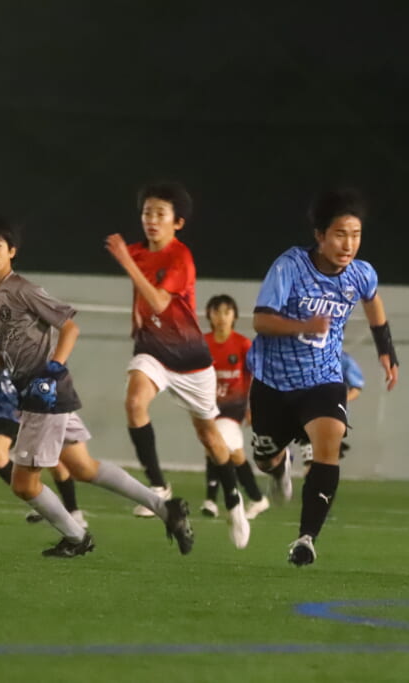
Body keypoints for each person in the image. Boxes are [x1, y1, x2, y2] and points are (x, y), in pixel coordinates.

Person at [0, 214, 194, 558]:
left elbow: (70, 327)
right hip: (33, 392)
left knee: (23, 484)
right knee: (84, 468)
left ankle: (77, 537)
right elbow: (5, 333)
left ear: (12, 251)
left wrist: (53, 368)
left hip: (45, 393)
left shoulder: (24, 290)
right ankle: (165, 508)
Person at [247, 187, 399, 566]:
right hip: (274, 382)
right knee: (265, 458)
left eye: (356, 235)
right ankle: (278, 467)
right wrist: (304, 326)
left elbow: (373, 301)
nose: (348, 244)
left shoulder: (360, 274)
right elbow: (261, 320)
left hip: (323, 379)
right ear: (320, 235)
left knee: (329, 443)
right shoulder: (290, 266)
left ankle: (306, 539)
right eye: (340, 234)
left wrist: (386, 349)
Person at [104, 181, 249, 548]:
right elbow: (141, 299)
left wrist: (125, 262)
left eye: (160, 214)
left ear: (178, 222)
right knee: (134, 402)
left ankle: (234, 503)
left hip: (190, 360)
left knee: (210, 437)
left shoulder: (180, 257)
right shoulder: (137, 251)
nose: (151, 220)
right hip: (153, 351)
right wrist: (134, 320)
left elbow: (158, 301)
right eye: (146, 213)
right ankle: (158, 486)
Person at [0, 322, 86, 527]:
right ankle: (38, 499)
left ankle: (73, 511)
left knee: (55, 464)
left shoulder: (27, 337)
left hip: (30, 409)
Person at [199, 294, 270, 520]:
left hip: (234, 407)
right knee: (234, 454)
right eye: (216, 312)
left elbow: (258, 376)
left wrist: (254, 406)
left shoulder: (242, 344)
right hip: (208, 406)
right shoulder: (202, 343)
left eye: (226, 312)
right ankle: (257, 498)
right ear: (209, 315)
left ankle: (211, 500)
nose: (221, 317)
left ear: (235, 316)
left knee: (215, 442)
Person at [299, 348, 365, 474]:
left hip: (331, 415)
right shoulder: (302, 354)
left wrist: (338, 401)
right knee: (311, 460)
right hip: (306, 413)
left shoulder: (343, 359)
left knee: (323, 460)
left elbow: (356, 388)